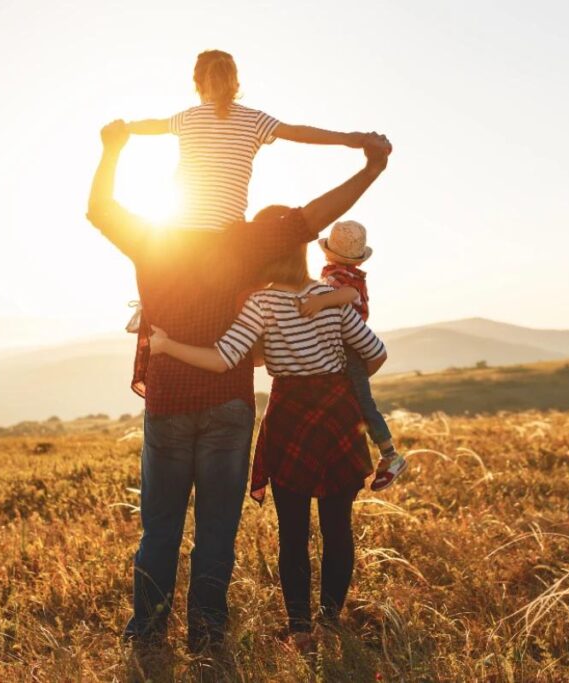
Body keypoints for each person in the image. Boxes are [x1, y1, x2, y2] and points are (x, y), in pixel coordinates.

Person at [85, 118, 391, 652]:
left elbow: (100, 209)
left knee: (159, 528)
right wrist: (371, 166)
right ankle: (207, 634)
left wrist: (112, 150)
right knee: (216, 532)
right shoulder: (249, 241)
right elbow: (317, 216)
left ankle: (148, 631)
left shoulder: (152, 237)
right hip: (228, 403)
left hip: (168, 402)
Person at [147, 241, 388, 651]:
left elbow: (224, 358)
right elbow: (376, 353)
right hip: (338, 416)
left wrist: (168, 346)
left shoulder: (261, 302)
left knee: (293, 533)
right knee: (337, 526)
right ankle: (329, 623)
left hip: (291, 417)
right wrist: (339, 381)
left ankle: (300, 631)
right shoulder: (328, 297)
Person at [126, 49, 377, 231]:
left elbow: (152, 125)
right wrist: (348, 138)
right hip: (228, 233)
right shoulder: (254, 120)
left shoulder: (187, 118)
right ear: (235, 82)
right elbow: (298, 132)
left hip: (179, 230)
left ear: (198, 83)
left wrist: (125, 128)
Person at [298, 220, 407, 490]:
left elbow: (347, 295)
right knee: (352, 400)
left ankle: (390, 455)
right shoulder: (344, 273)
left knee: (362, 402)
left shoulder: (342, 278)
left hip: (349, 347)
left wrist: (320, 301)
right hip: (346, 346)